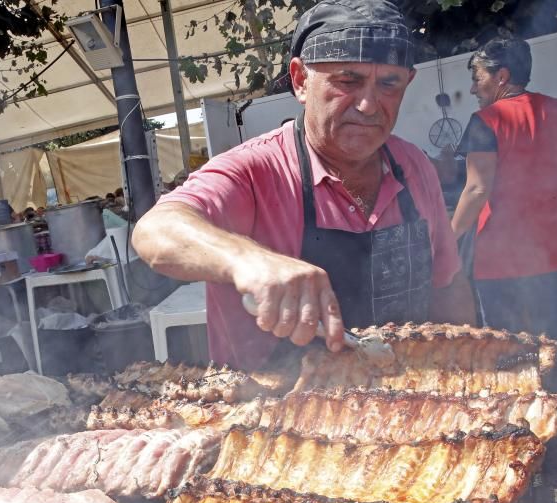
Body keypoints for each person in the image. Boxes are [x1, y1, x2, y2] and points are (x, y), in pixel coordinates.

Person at [132, 0, 474, 369]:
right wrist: (249, 260)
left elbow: (448, 285)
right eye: (348, 81)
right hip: (275, 416)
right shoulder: (256, 170)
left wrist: (473, 366)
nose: (369, 105)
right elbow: (156, 231)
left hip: (413, 406)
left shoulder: (414, 167)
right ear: (300, 81)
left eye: (388, 84)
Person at [450, 38, 557, 338]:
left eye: (477, 78)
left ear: (501, 76)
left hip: (502, 261)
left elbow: (477, 189)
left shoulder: (485, 121)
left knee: (509, 351)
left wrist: (447, 240)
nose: (473, 89)